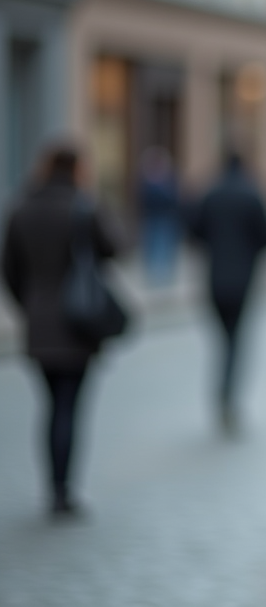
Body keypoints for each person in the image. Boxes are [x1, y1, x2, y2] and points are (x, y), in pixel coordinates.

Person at [2, 142, 121, 517]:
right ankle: (62, 490)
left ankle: (52, 486)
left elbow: (9, 268)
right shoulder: (83, 207)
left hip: (38, 323)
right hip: (78, 322)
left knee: (51, 406)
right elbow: (114, 247)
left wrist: (29, 305)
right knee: (69, 407)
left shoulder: (21, 208)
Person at [187, 151, 266, 436]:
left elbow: (194, 231)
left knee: (223, 340)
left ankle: (223, 395)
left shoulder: (210, 195)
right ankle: (229, 398)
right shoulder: (251, 195)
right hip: (243, 279)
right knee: (235, 342)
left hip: (214, 279)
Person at [137, 146, 181, 286]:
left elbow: (175, 197)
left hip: (165, 217)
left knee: (164, 244)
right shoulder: (148, 179)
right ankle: (154, 273)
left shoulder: (167, 178)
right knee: (153, 244)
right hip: (152, 217)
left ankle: (163, 273)